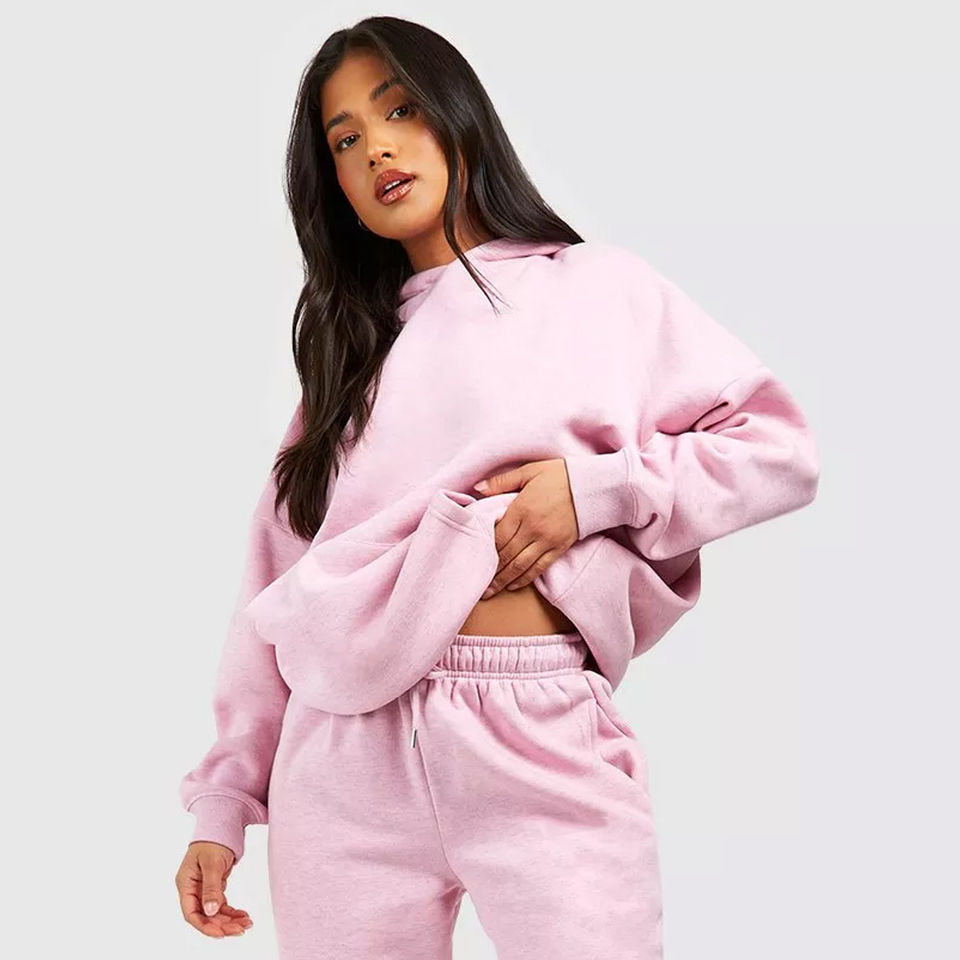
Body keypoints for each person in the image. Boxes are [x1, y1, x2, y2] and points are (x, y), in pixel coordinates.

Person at [174, 15, 820, 960]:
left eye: (399, 110)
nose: (376, 147)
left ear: (460, 115)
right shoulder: (348, 359)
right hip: (342, 759)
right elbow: (276, 580)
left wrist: (596, 492)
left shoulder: (598, 289)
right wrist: (224, 801)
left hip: (537, 732)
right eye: (345, 139)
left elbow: (778, 453)